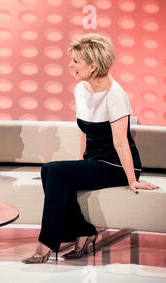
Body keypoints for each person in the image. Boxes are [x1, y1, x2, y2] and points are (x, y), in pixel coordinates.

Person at [22, 33, 159, 264]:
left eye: (75, 61)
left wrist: (131, 179)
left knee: (52, 170)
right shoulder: (81, 89)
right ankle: (83, 230)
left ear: (93, 66)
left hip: (117, 164)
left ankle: (46, 243)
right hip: (94, 161)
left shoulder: (115, 95)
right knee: (53, 172)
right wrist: (80, 164)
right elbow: (84, 131)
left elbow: (120, 142)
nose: (70, 65)